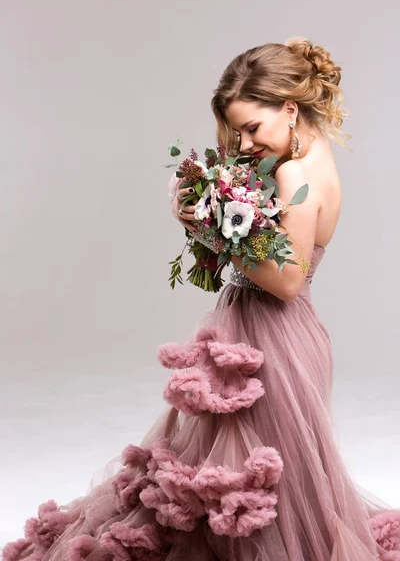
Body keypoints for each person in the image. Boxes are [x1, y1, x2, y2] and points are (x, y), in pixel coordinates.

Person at [3, 38, 400, 561]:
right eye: (237, 131)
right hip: (285, 333)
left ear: (288, 107)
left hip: (269, 338)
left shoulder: (293, 173)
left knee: (244, 478)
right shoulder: (313, 157)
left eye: (252, 127)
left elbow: (284, 280)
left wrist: (209, 227)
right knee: (260, 478)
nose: (245, 141)